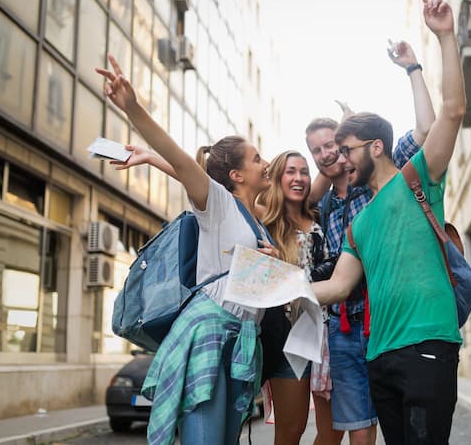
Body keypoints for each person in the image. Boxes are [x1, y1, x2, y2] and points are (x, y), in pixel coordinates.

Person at [97, 56, 279, 445]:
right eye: (258, 158)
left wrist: (273, 265)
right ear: (236, 175)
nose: (267, 164)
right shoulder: (216, 202)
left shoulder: (257, 219)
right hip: (209, 333)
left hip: (242, 339)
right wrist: (132, 107)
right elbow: (181, 158)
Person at [312, 0, 466, 444]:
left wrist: (442, 40)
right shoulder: (356, 225)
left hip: (427, 344)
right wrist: (277, 289)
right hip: (378, 356)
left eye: (347, 151)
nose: (340, 161)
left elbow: (452, 112)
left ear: (376, 147)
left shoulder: (416, 177)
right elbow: (339, 286)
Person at [304, 38, 434, 444]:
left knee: (393, 424)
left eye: (335, 146)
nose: (328, 154)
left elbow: (426, 131)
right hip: (343, 326)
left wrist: (412, 68)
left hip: (384, 321)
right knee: (359, 427)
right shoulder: (322, 205)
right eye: (319, 151)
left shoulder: (379, 180)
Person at [256, 150, 338, 445]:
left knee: (333, 430)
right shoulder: (265, 218)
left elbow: (325, 177)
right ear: (277, 177)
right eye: (291, 171)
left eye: (304, 171)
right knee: (292, 430)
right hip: (288, 339)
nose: (299, 178)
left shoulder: (317, 215)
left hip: (325, 332)